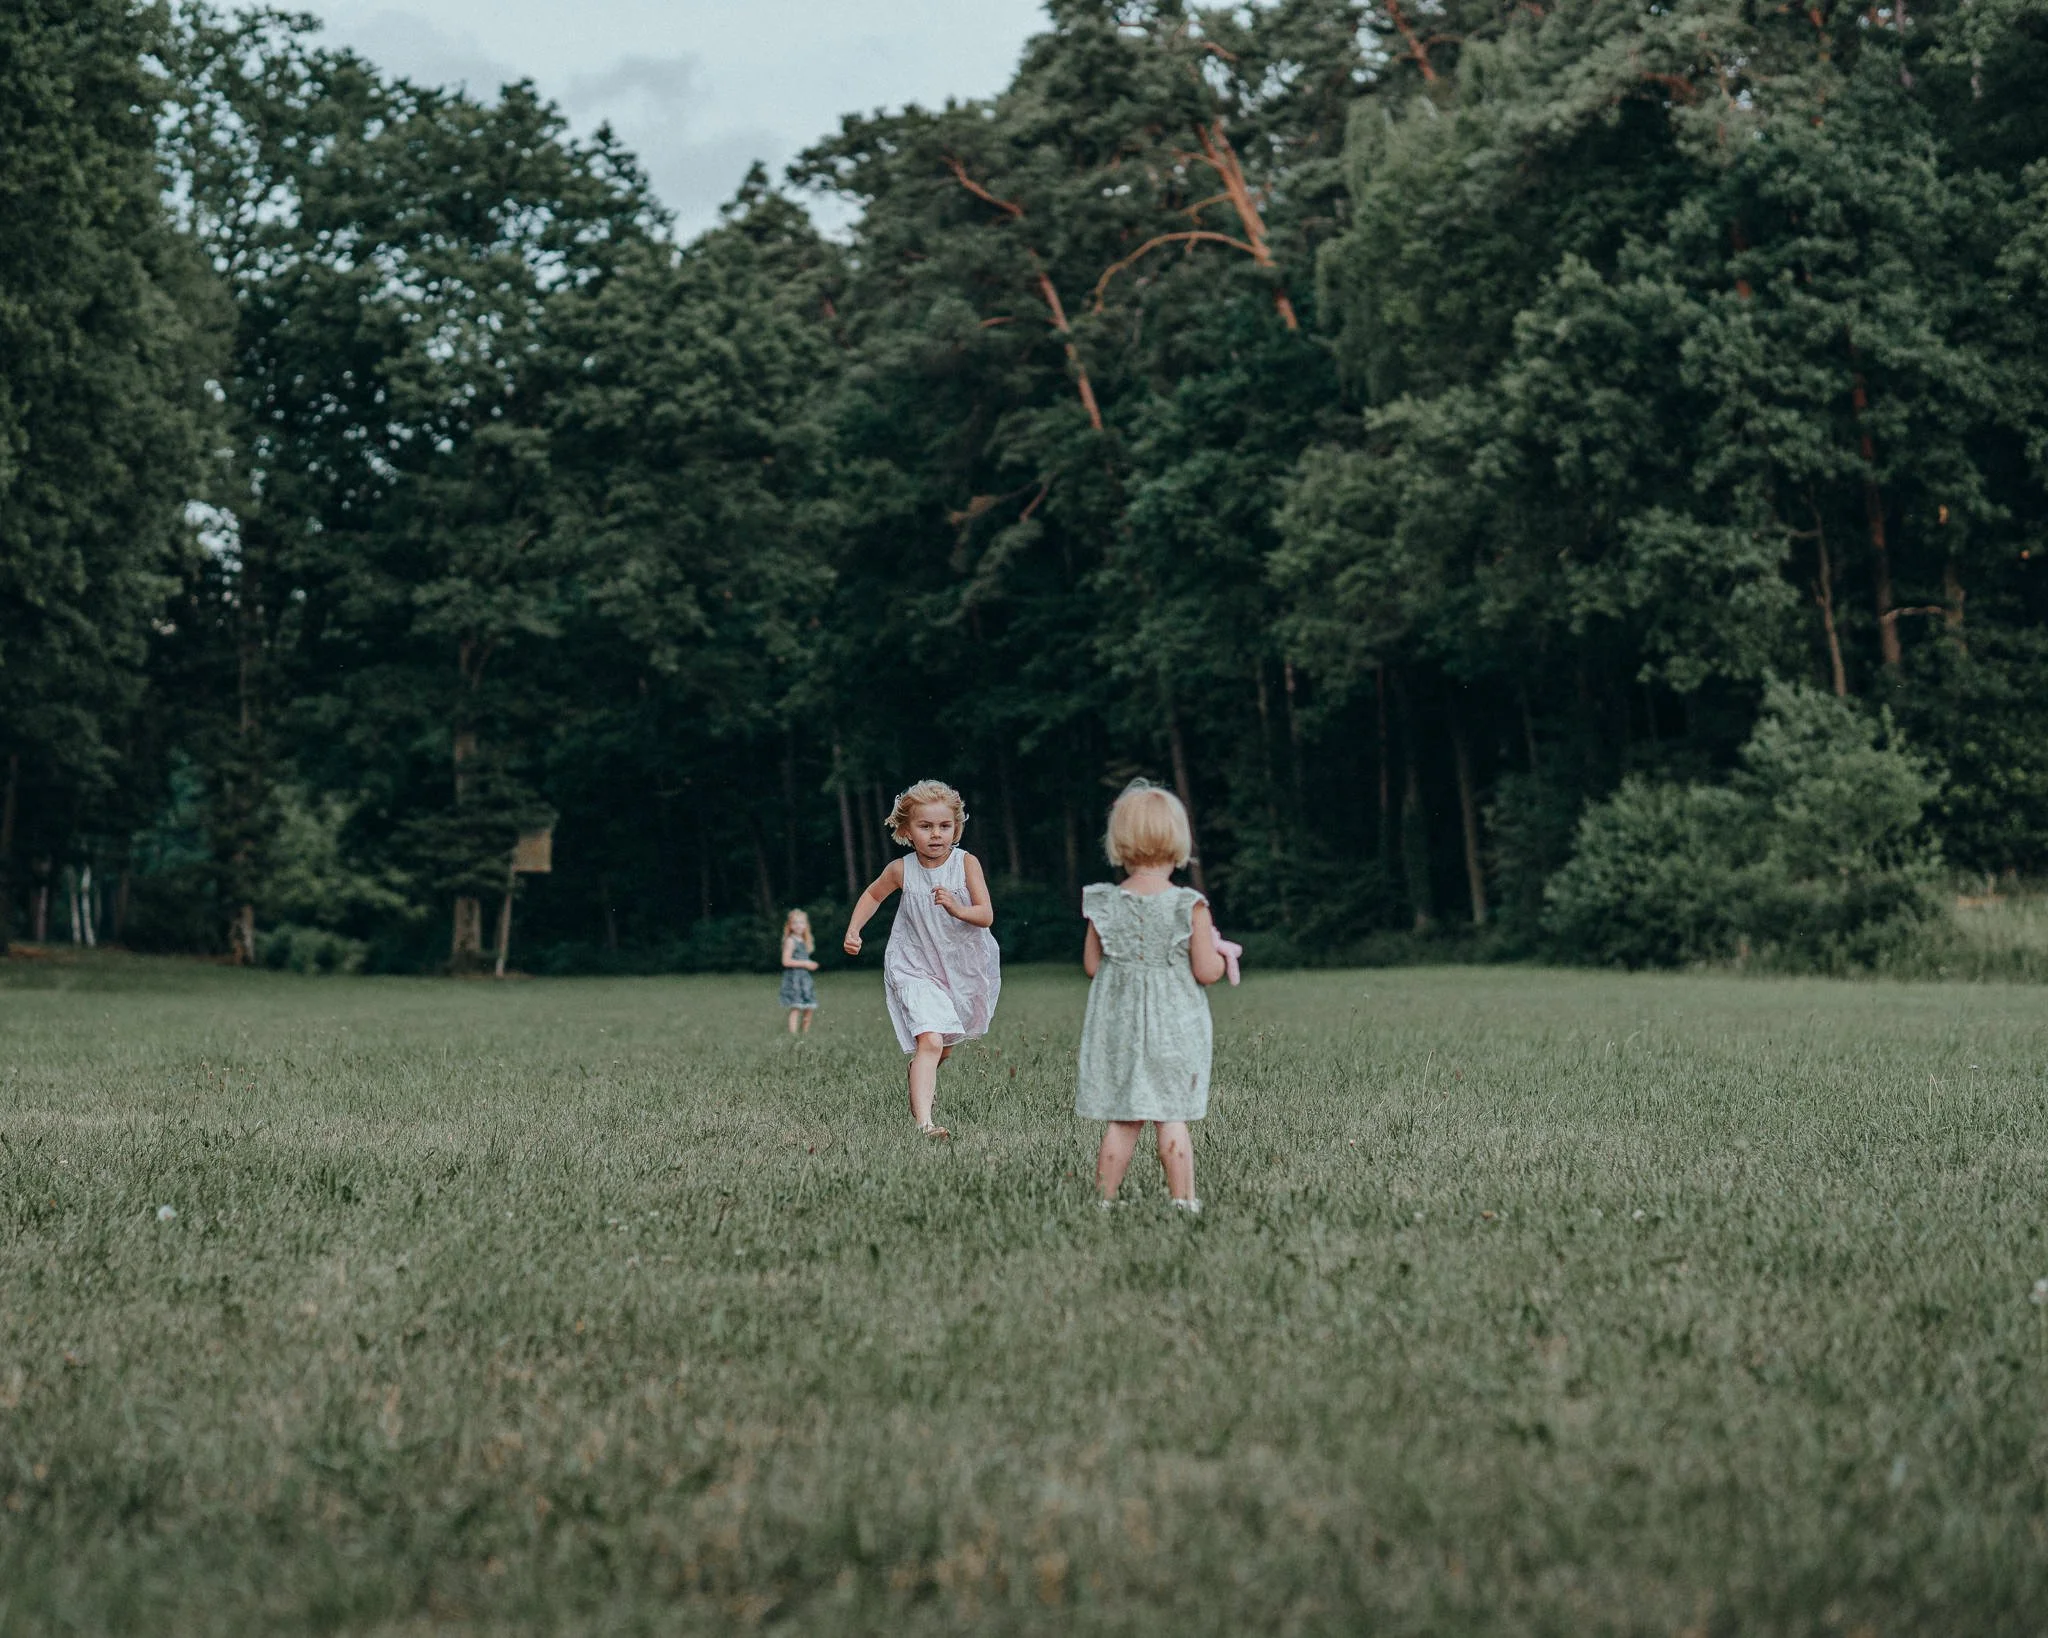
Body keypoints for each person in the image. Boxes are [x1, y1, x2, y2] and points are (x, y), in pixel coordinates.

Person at [1077, 781, 1231, 1214]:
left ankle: (1104, 1202)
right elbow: (1206, 971)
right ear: (1176, 840)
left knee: (1123, 1118)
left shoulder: (1104, 903)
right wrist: (1218, 954)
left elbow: (1092, 965)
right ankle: (1183, 1201)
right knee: (1172, 1115)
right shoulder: (1189, 905)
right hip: (1174, 1029)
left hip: (1120, 1027)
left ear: (1120, 841)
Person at [841, 779, 1000, 1139]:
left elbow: (986, 915)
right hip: (913, 964)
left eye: (944, 826)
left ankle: (919, 1073)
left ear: (955, 828)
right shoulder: (902, 869)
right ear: (906, 831)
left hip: (960, 965)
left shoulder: (966, 863)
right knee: (929, 1039)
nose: (936, 835)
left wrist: (958, 908)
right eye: (925, 826)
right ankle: (926, 1125)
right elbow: (872, 894)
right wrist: (854, 929)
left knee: (941, 1046)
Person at [779, 909, 821, 1035]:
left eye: (801, 922)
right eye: (795, 923)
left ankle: (804, 1034)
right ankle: (793, 1034)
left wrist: (810, 963)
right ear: (790, 925)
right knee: (796, 1006)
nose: (798, 925)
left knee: (809, 1006)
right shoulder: (791, 941)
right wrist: (805, 964)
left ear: (806, 925)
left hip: (804, 979)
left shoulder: (804, 940)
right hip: (794, 979)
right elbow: (786, 961)